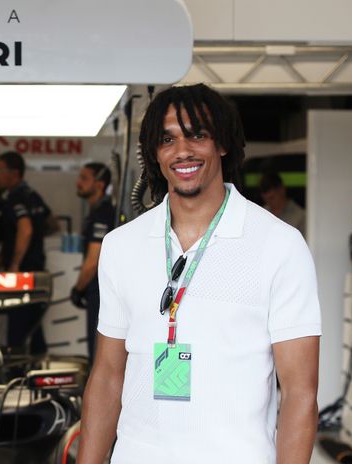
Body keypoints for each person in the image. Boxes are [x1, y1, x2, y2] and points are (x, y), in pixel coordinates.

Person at [79, 84, 321, 464]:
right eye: (167, 139)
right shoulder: (120, 245)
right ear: (154, 153)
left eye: (197, 135)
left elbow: (299, 394)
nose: (182, 151)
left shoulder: (279, 245)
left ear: (222, 143)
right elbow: (108, 375)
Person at [0, 151, 52, 353]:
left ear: (14, 173)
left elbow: (25, 229)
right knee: (33, 325)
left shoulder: (15, 197)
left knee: (18, 327)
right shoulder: (33, 195)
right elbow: (51, 223)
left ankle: (17, 367)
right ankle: (37, 363)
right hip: (37, 268)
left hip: (23, 273)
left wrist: (15, 264)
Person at [69, 162, 116, 361]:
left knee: (97, 352)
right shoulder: (98, 211)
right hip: (99, 290)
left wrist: (78, 288)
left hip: (100, 290)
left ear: (99, 184)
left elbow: (93, 260)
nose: (78, 182)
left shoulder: (102, 213)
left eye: (84, 178)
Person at [260, 171, 306, 237]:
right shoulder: (261, 214)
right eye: (266, 198)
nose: (270, 202)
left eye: (272, 197)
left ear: (282, 190)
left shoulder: (300, 216)